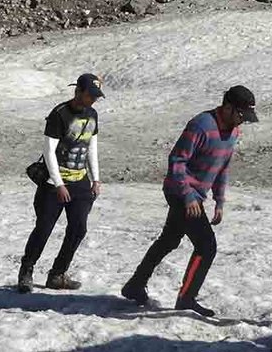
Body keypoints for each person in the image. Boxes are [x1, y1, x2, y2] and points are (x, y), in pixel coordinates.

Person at [121, 85, 258, 317]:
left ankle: (135, 285)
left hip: (197, 196)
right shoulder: (201, 125)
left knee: (169, 240)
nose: (242, 121)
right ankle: (186, 298)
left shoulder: (233, 132)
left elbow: (222, 167)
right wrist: (187, 196)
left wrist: (220, 200)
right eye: (241, 115)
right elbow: (176, 161)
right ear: (227, 107)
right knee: (207, 246)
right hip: (180, 191)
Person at [17, 74, 105, 293]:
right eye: (90, 95)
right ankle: (26, 270)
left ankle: (57, 274)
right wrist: (58, 184)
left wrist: (96, 178)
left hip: (81, 182)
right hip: (53, 184)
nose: (93, 100)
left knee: (78, 229)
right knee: (44, 228)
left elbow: (91, 148)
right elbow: (49, 152)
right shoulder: (60, 114)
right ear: (78, 92)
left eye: (96, 96)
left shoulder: (92, 115)